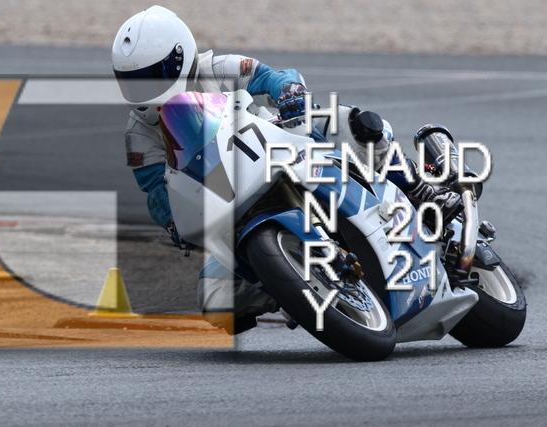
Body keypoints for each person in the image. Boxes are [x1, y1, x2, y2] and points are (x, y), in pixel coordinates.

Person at [112, 5, 462, 335]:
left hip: (286, 149)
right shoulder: (138, 134)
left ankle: (421, 190)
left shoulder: (218, 70)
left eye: (149, 78)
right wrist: (172, 221)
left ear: (179, 59)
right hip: (230, 208)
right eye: (131, 81)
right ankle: (292, 283)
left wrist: (290, 92)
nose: (141, 90)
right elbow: (155, 190)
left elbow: (273, 78)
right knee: (215, 303)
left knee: (352, 123)